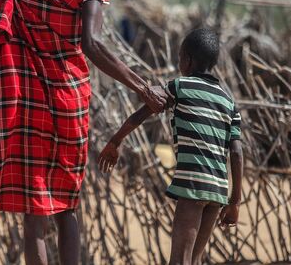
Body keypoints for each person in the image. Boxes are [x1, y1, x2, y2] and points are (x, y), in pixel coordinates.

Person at [0, 0, 167, 265]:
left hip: (26, 93)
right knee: (66, 207)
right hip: (67, 98)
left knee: (35, 214)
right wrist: (142, 87)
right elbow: (92, 43)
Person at [98, 28, 244, 265]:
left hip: (192, 183)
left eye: (179, 59)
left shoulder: (179, 86)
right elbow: (236, 154)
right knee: (194, 260)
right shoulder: (229, 102)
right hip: (218, 189)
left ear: (187, 60)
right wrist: (235, 201)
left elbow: (140, 116)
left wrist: (115, 141)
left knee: (179, 260)